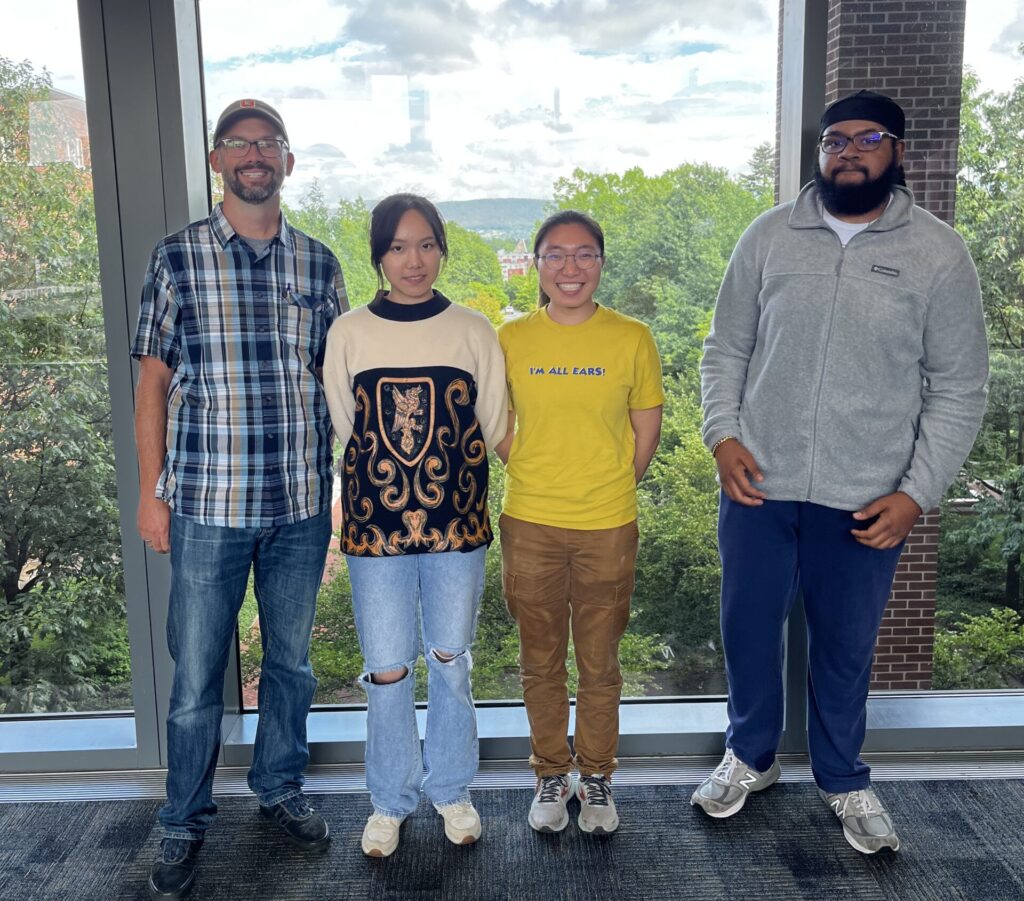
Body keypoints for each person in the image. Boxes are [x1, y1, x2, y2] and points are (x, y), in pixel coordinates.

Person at [694, 90, 989, 853]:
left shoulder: (938, 252)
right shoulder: (767, 237)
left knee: (846, 646)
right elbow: (724, 348)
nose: (847, 152)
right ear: (818, 153)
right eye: (833, 140)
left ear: (897, 153)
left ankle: (843, 778)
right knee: (747, 630)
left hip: (868, 497)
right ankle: (749, 756)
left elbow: (959, 386)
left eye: (867, 139)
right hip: (758, 484)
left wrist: (917, 493)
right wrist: (722, 434)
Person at [133, 99, 347, 900]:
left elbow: (337, 385)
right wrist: (154, 494)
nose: (255, 154)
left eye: (269, 143)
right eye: (240, 144)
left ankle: (280, 788)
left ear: (288, 162)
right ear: (219, 162)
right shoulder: (177, 258)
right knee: (195, 677)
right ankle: (182, 819)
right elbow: (152, 383)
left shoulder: (319, 264)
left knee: (289, 663)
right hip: (203, 505)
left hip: (297, 504)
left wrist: (344, 490)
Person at [322, 193, 508, 858]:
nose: (413, 259)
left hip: (457, 528)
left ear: (442, 249)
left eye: (426, 243)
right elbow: (343, 431)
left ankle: (453, 789)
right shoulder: (349, 332)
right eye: (398, 246)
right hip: (374, 532)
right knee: (387, 668)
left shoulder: (472, 329)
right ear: (379, 255)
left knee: (452, 662)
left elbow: (494, 426)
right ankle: (390, 800)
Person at [495, 210, 664, 835]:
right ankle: (549, 774)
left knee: (599, 663)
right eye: (556, 255)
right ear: (537, 265)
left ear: (600, 263)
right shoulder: (510, 337)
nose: (571, 267)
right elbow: (496, 422)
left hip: (608, 523)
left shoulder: (631, 337)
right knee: (539, 660)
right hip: (531, 520)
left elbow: (646, 425)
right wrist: (533, 467)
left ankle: (595, 778)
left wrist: (618, 479)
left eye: (584, 254)